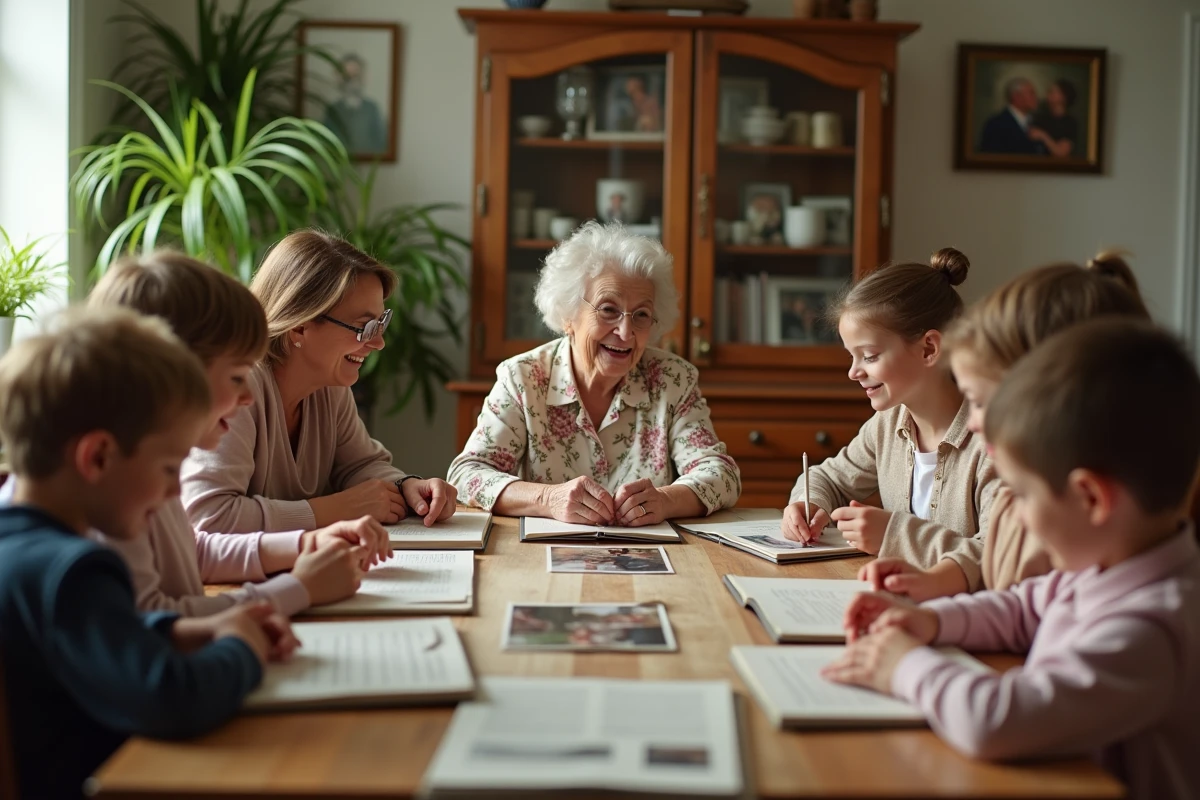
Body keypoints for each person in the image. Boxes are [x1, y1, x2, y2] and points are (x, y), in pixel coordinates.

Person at [825, 319, 1200, 800]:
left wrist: (905, 665)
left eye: (1021, 495)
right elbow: (1020, 608)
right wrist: (927, 622)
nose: (1015, 518)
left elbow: (996, 721)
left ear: (1091, 499)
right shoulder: (1106, 570)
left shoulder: (1152, 629)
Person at [0, 308, 299, 799]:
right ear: (97, 456)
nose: (169, 498)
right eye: (168, 470)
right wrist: (242, 645)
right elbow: (172, 696)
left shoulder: (20, 545)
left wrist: (180, 630)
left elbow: (87, 638)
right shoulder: (72, 572)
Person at [77, 253, 386, 615]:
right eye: (237, 377)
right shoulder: (114, 488)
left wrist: (305, 543)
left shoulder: (143, 469)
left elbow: (195, 551)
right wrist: (296, 590)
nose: (247, 396)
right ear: (171, 377)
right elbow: (153, 626)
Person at [859, 253, 1148, 600]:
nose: (974, 422)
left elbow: (1032, 622)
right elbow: (1020, 610)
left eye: (981, 402)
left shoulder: (1065, 521)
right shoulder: (1035, 502)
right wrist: (931, 613)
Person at [448, 221, 740, 525]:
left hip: (647, 564)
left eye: (641, 315)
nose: (625, 332)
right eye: (608, 310)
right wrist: (548, 499)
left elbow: (722, 475)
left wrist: (666, 501)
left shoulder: (672, 379)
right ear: (568, 315)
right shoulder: (523, 378)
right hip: (540, 562)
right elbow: (468, 474)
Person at [182, 230, 456, 535]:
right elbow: (209, 516)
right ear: (299, 327)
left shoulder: (330, 385)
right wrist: (336, 509)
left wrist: (406, 486)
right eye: (363, 327)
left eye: (380, 323)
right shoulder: (238, 389)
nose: (378, 343)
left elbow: (358, 466)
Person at [780, 248, 998, 572]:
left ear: (928, 349)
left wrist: (892, 535)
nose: (854, 372)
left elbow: (998, 555)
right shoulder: (887, 424)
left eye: (868, 356)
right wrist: (807, 502)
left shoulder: (991, 443)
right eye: (851, 356)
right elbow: (830, 478)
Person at [322, 54, 387, 156]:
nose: (352, 80)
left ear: (363, 77)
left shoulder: (372, 108)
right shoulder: (332, 110)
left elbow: (380, 143)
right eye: (347, 76)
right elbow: (326, 143)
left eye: (356, 75)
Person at [978, 77, 1046, 155]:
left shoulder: (1037, 123)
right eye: (1031, 93)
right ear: (1017, 97)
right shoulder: (995, 125)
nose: (1036, 97)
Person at [1028, 78, 1079, 158]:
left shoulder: (1069, 122)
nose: (1048, 95)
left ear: (1063, 97)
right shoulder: (1040, 117)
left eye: (1052, 92)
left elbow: (1061, 153)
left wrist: (1043, 136)